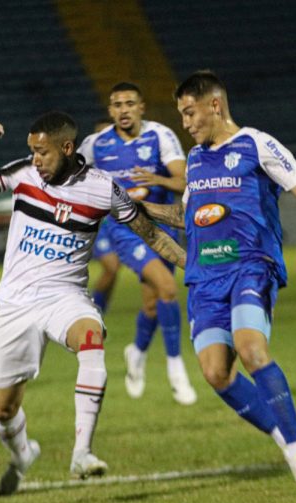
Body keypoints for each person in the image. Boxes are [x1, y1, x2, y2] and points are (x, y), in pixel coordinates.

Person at [0, 111, 186, 496]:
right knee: (5, 410)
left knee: (92, 340)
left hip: (66, 296)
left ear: (67, 147)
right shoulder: (22, 174)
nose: (36, 159)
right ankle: (23, 453)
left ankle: (82, 452)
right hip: (15, 303)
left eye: (42, 151)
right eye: (32, 151)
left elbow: (151, 234)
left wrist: (192, 268)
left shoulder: (101, 188)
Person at [142, 70, 296, 485]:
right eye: (182, 116)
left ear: (215, 106)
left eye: (190, 113)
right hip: (205, 278)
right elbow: (187, 218)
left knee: (251, 348)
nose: (185, 124)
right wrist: (140, 209)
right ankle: (282, 433)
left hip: (251, 265)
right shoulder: (195, 159)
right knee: (215, 373)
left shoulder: (257, 144)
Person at [79, 82, 197, 406]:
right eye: (117, 104)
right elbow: (71, 181)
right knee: (169, 288)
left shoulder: (160, 135)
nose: (123, 109)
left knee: (152, 304)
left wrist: (158, 179)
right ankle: (176, 368)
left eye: (130, 103)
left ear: (141, 107)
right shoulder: (95, 145)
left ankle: (137, 353)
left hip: (164, 224)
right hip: (127, 231)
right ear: (110, 110)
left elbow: (183, 179)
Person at [84, 118, 121, 313]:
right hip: (99, 224)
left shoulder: (123, 162)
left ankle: (100, 309)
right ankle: (93, 307)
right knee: (112, 267)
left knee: (115, 270)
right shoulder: (87, 165)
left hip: (119, 223)